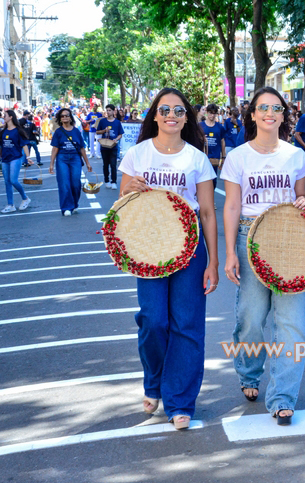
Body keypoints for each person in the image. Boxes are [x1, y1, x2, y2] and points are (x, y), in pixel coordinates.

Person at [119, 87, 219, 430]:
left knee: (187, 325)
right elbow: (121, 204)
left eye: (179, 111)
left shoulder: (197, 158)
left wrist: (213, 261)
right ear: (155, 115)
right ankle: (154, 382)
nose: (172, 116)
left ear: (186, 117)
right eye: (165, 110)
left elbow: (206, 212)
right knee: (153, 321)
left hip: (190, 247)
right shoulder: (137, 154)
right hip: (148, 245)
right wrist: (130, 188)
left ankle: (180, 402)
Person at [221, 88, 305, 426]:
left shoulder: (295, 156)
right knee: (251, 319)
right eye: (263, 108)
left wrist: (302, 204)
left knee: (292, 324)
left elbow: (301, 197)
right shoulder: (238, 157)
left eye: (276, 108)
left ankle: (283, 397)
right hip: (249, 237)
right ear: (253, 114)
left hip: (290, 240)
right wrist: (230, 252)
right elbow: (231, 205)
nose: (269, 113)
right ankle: (249, 370)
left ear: (283, 114)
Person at [49, 108, 93, 217]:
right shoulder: (58, 132)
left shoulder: (76, 131)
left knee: (76, 184)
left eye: (67, 115)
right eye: (62, 116)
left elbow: (82, 148)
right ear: (60, 118)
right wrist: (51, 164)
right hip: (62, 158)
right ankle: (66, 208)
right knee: (64, 184)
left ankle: (74, 204)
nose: (64, 118)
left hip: (75, 158)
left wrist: (87, 163)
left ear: (70, 117)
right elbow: (55, 149)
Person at [0, 110, 32, 214]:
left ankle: (25, 198)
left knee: (13, 180)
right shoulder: (3, 131)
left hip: (15, 158)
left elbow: (24, 145)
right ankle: (10, 205)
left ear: (10, 117)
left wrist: (28, 157)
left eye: (5, 116)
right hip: (5, 159)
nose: (3, 117)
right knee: (7, 182)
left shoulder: (18, 131)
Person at [96, 104, 124, 190]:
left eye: (109, 110)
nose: (108, 112)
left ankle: (114, 182)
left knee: (113, 164)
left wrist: (116, 139)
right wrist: (104, 130)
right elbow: (97, 132)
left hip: (113, 146)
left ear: (113, 111)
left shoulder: (117, 122)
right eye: (107, 110)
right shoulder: (102, 121)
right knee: (106, 164)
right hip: (104, 146)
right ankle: (106, 180)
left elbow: (120, 134)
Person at [200, 103, 225, 188]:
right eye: (210, 113)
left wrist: (223, 157)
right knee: (202, 180)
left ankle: (211, 199)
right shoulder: (200, 126)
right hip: (203, 158)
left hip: (215, 158)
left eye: (214, 113)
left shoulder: (220, 127)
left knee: (213, 181)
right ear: (207, 112)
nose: (212, 115)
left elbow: (222, 141)